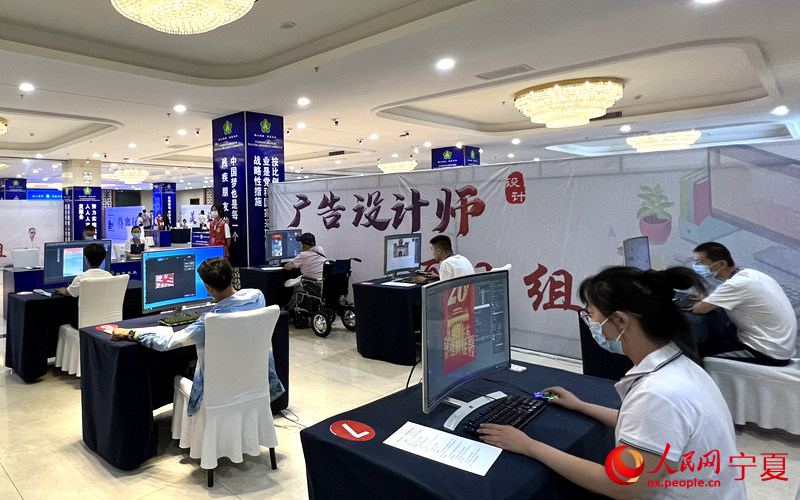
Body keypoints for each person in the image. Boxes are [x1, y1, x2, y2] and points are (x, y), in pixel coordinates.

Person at [478, 266, 744, 500]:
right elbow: (649, 430)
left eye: (592, 315)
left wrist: (529, 446)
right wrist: (582, 406)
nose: (591, 323)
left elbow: (620, 486)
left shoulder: (658, 394)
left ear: (620, 320)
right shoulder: (680, 364)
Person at [109, 257, 285, 415]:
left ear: (208, 288)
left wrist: (130, 333)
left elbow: (166, 343)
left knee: (171, 369)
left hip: (218, 389)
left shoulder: (210, 321)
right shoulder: (257, 298)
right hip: (255, 381)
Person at [691, 242, 797, 366]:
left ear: (721, 264)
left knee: (696, 353)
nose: (697, 266)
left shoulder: (735, 284)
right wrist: (708, 299)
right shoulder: (751, 274)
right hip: (779, 346)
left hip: (766, 352)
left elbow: (699, 309)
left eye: (701, 262)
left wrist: (701, 302)